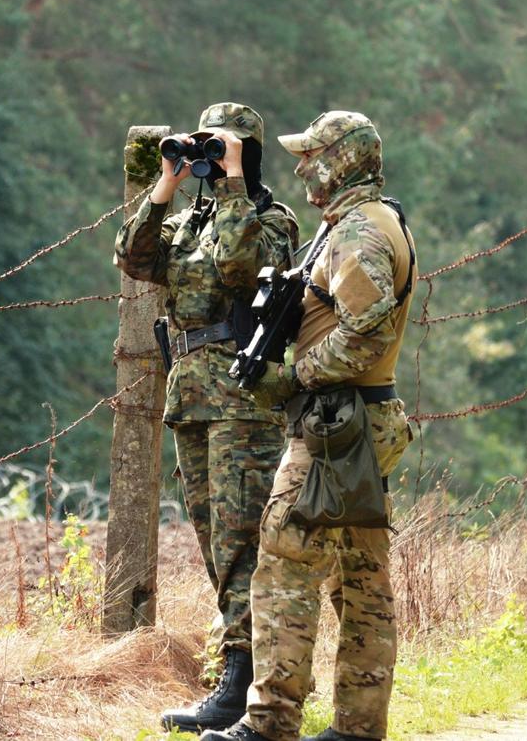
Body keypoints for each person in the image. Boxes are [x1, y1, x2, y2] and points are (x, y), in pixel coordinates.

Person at [201, 111, 416, 741]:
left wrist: (294, 378)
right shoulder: (364, 223)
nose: (300, 168)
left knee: (283, 566)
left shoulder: (359, 234)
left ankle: (269, 724)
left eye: (312, 156)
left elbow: (363, 333)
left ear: (340, 161)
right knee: (360, 580)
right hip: (360, 419)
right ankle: (357, 728)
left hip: (336, 423)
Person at [114, 102, 299, 733]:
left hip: (243, 403)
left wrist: (233, 180)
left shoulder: (270, 218)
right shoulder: (190, 219)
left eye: (225, 147)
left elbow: (241, 268)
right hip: (191, 396)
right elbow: (136, 260)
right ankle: (238, 679)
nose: (211, 160)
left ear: (249, 151)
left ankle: (244, 683)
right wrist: (166, 182)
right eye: (208, 149)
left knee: (241, 543)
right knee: (212, 544)